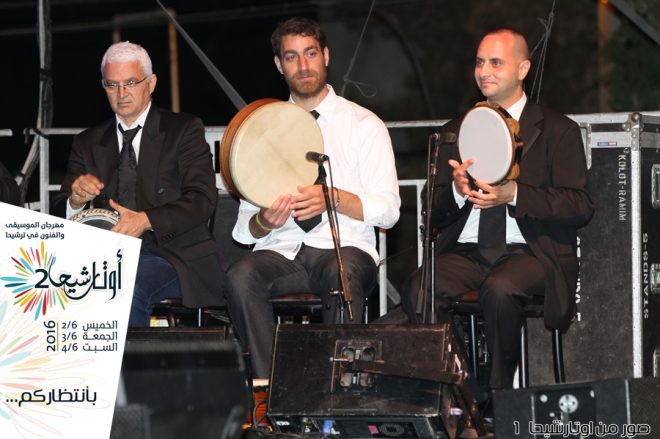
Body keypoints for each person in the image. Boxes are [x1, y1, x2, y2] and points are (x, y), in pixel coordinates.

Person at [401, 29, 593, 392]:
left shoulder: (557, 130)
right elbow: (431, 212)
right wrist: (457, 192)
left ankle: (498, 394)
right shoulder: (455, 132)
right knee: (419, 288)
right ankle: (463, 390)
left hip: (531, 252)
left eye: (495, 62)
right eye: (479, 62)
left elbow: (579, 205)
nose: (484, 71)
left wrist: (515, 194)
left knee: (501, 288)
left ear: (522, 69)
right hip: (467, 252)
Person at [225, 17, 401, 378]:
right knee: (240, 276)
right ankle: (268, 386)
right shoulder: (262, 130)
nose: (303, 65)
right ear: (279, 65)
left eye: (310, 54)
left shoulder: (363, 124)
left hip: (344, 249)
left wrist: (333, 198)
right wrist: (265, 221)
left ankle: (336, 388)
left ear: (326, 56)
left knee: (341, 273)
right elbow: (244, 230)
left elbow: (389, 210)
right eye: (292, 57)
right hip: (282, 251)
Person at [51, 41, 225, 326]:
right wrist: (75, 201)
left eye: (131, 82)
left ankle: (121, 358)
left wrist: (145, 220)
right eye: (112, 85)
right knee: (43, 283)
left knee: (121, 286)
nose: (121, 93)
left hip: (172, 255)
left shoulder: (183, 130)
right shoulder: (87, 142)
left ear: (151, 83)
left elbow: (202, 199)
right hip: (103, 257)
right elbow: (58, 209)